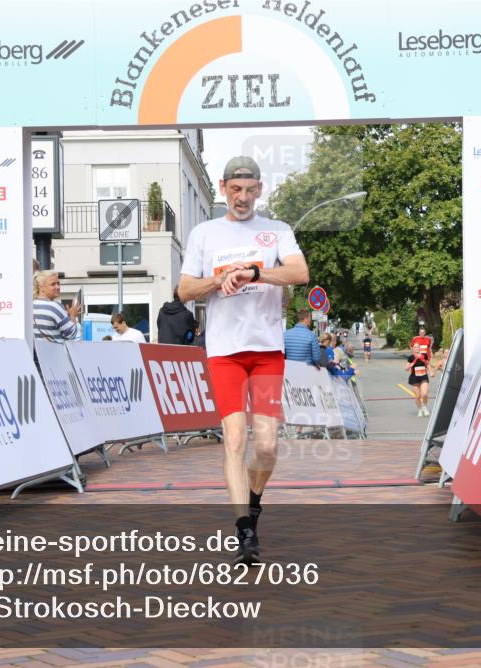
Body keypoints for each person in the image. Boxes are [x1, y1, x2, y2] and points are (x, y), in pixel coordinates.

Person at [178, 155, 309, 565]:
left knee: (267, 446)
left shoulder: (277, 231)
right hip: (224, 353)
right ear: (223, 189)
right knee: (235, 439)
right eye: (236, 190)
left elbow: (299, 273)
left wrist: (253, 273)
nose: (243, 197)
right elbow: (184, 291)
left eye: (250, 190)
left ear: (260, 190)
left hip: (267, 352)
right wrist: (218, 279)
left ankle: (254, 501)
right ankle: (244, 531)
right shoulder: (204, 233)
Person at [32, 270, 81, 342]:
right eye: (53, 284)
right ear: (41, 287)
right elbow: (72, 334)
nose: (57, 287)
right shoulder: (54, 307)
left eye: (58, 283)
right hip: (56, 352)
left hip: (37, 352)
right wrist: (73, 316)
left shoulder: (31, 305)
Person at [405, 343, 433, 417]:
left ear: (419, 348)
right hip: (414, 378)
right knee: (417, 396)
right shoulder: (410, 357)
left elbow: (427, 364)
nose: (417, 348)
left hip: (423, 376)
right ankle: (420, 409)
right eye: (415, 347)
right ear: (413, 348)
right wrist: (409, 366)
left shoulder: (424, 355)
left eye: (418, 347)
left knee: (424, 394)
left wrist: (431, 372)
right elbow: (405, 368)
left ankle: (425, 407)